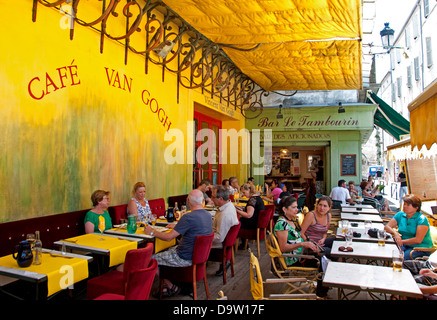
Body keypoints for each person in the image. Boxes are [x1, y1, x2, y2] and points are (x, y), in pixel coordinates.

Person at [144, 189, 213, 297]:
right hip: (199, 258)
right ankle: (167, 286)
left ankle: (171, 286)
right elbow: (195, 228)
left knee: (150, 259)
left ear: (188, 201)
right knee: (166, 250)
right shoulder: (208, 215)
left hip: (184, 258)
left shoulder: (188, 217)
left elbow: (168, 238)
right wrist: (178, 226)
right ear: (203, 200)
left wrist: (152, 231)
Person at [273, 196, 328, 297]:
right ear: (284, 209)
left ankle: (323, 288)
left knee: (328, 252)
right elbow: (283, 248)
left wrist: (309, 243)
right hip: (294, 259)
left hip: (302, 253)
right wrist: (302, 244)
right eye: (294, 207)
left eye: (297, 207)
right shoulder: (281, 224)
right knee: (324, 258)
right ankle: (321, 292)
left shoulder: (291, 220)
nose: (297, 210)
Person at [384, 194, 433, 261]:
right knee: (388, 252)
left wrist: (400, 241)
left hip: (420, 248)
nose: (404, 206)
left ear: (416, 207)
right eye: (404, 204)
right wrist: (395, 233)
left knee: (398, 259)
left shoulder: (422, 219)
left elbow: (418, 240)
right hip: (404, 245)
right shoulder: (400, 214)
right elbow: (387, 227)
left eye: (408, 205)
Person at [210, 185, 239, 275]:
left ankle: (190, 275)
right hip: (225, 242)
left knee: (191, 242)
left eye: (213, 197)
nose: (211, 199)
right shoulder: (230, 206)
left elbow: (219, 238)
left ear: (221, 199)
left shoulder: (225, 215)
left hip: (219, 245)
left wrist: (203, 237)